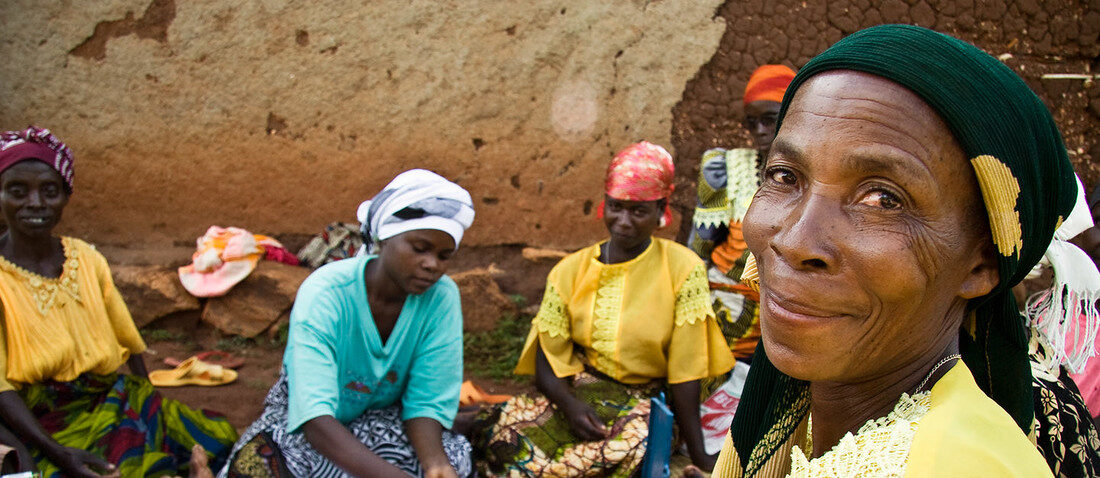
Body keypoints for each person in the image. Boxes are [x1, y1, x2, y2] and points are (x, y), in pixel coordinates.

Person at [712, 25, 1100, 477]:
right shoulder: (803, 422)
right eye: (784, 176)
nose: (794, 240)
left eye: (884, 199)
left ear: (983, 262)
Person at [479, 142, 735, 476]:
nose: (623, 221)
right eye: (616, 207)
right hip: (580, 389)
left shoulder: (682, 269)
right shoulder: (570, 271)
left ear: (661, 210)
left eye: (638, 211)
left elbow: (686, 374)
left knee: (627, 450)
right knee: (508, 434)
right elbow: (545, 364)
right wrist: (570, 406)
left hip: (645, 401)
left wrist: (699, 455)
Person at [0, 126, 238, 477]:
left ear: (66, 197)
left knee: (221, 437)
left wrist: (150, 408)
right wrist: (59, 452)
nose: (35, 203)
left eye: (50, 192)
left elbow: (128, 341)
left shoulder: (85, 258)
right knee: (118, 469)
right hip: (38, 417)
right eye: (17, 191)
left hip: (108, 394)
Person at [219, 169, 475, 478]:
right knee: (264, 466)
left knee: (454, 461)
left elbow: (425, 402)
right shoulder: (326, 292)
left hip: (387, 420)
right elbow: (314, 416)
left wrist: (435, 464)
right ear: (385, 237)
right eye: (419, 248)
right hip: (310, 425)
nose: (432, 264)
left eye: (444, 256)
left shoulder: (442, 297)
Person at [690, 64, 797, 364]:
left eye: (769, 120)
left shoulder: (813, 175)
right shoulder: (726, 168)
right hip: (726, 298)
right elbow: (701, 243)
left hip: (782, 304)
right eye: (751, 123)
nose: (759, 131)